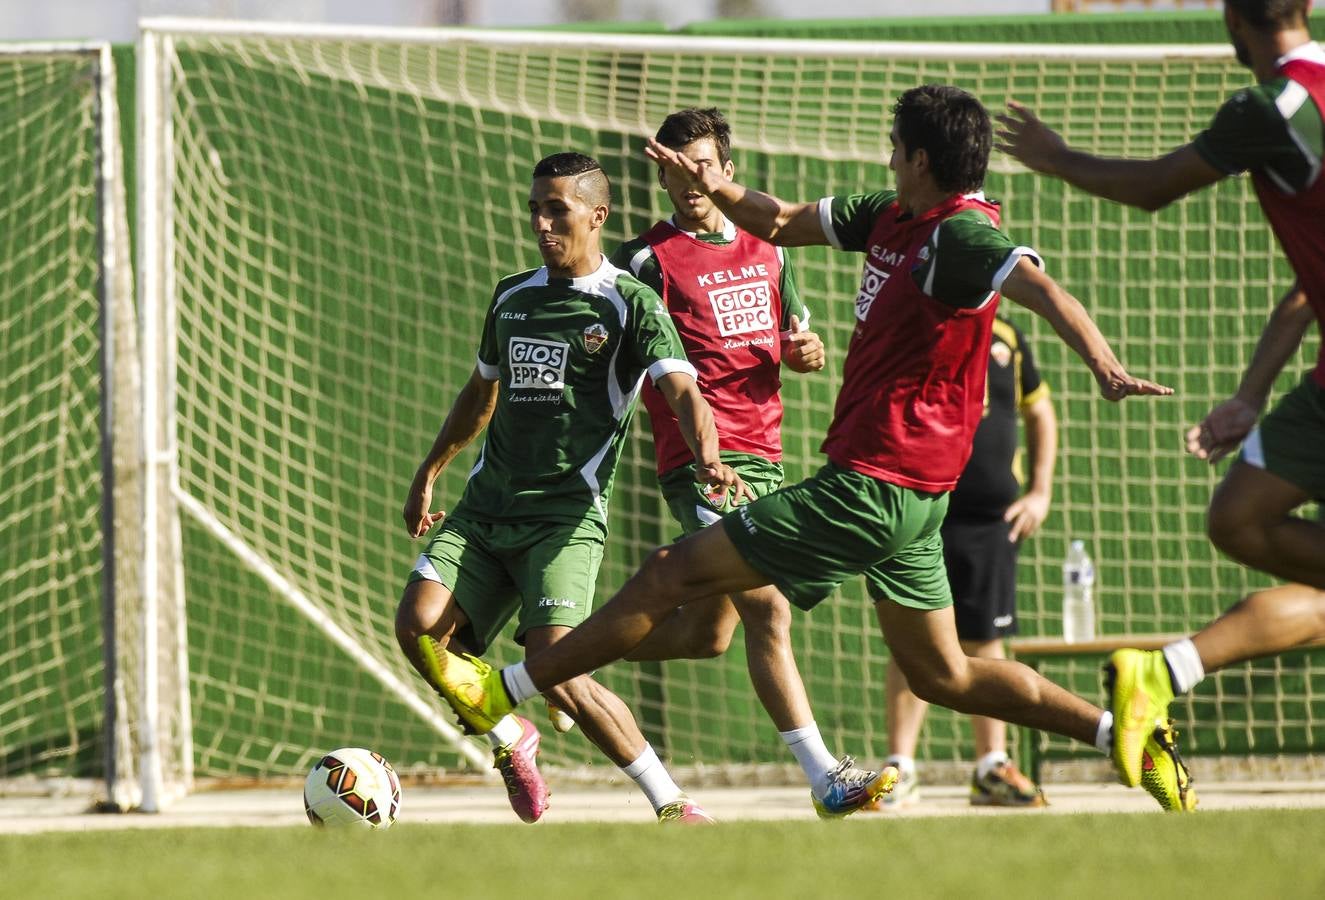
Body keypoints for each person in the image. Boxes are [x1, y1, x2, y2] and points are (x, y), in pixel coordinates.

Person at [426, 85, 1195, 812]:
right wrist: (712, 186)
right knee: (943, 673)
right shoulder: (887, 214)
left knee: (673, 577)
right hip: (916, 498)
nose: (887, 156)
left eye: (895, 146)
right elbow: (786, 217)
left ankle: (510, 690)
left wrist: (1102, 363)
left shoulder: (959, 231)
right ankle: (1119, 731)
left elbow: (1038, 284)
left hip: (870, 483)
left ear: (920, 158)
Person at [995, 0, 1325, 792]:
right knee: (1239, 517)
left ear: (1230, 21)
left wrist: (1056, 156)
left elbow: (1151, 187)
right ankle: (1158, 671)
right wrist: (1251, 392)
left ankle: (1162, 672)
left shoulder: (1275, 106)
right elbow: (1306, 289)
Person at [395, 151, 746, 825]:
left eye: (556, 208)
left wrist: (707, 455)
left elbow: (682, 389)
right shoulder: (512, 295)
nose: (542, 221)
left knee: (556, 663)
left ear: (597, 214)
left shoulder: (629, 303)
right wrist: (429, 470)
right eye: (534, 207)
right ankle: (511, 738)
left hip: (564, 518)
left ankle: (670, 803)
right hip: (483, 511)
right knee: (419, 631)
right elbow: (479, 393)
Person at [604, 108, 893, 818]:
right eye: (674, 166)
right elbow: (628, 362)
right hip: (700, 461)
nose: (690, 178)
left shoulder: (769, 247)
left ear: (727, 169)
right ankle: (825, 777)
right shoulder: (643, 260)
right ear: (662, 174)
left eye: (701, 163)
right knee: (768, 607)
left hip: (765, 456)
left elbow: (793, 338)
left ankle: (567, 661)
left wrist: (804, 352)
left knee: (708, 634)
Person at [878, 315, 1057, 809]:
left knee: (985, 640)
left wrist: (1040, 491)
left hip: (990, 519)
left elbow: (1040, 412)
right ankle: (901, 766)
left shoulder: (1009, 336)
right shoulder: (915, 322)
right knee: (911, 636)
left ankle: (991, 766)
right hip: (920, 509)